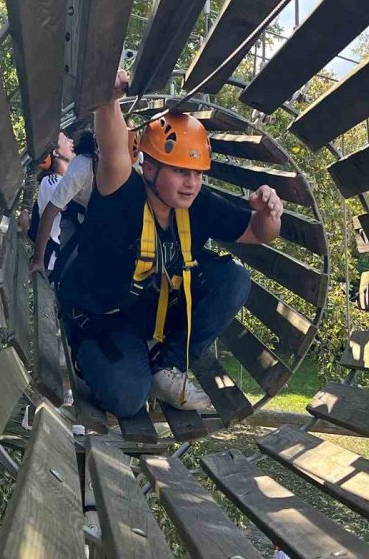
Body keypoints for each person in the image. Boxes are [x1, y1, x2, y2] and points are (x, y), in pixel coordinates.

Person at [57, 69, 283, 416]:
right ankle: (102, 364)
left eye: (196, 173)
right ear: (149, 168)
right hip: (104, 322)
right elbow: (114, 146)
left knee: (233, 278)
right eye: (179, 170)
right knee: (128, 399)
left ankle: (167, 367)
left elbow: (257, 232)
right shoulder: (122, 192)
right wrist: (110, 100)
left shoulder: (197, 204)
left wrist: (270, 213)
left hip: (153, 318)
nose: (191, 183)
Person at [30, 129, 140, 283]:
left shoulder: (136, 169)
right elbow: (49, 212)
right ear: (97, 157)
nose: (115, 175)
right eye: (111, 167)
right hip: (77, 219)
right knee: (70, 269)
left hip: (109, 217)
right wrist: (38, 261)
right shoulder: (81, 168)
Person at [31, 132, 74, 272]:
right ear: (56, 152)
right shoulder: (52, 182)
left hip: (67, 258)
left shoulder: (64, 181)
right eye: (66, 140)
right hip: (58, 264)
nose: (71, 141)